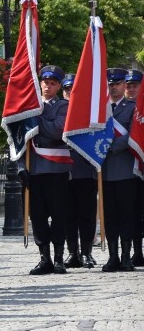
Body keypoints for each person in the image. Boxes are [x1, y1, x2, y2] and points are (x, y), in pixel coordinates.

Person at [18, 65, 71, 275]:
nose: (48, 86)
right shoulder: (28, 106)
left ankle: (59, 257)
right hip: (34, 169)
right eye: (45, 82)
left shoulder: (63, 106)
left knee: (59, 215)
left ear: (58, 86)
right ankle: (44, 257)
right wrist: (21, 166)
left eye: (52, 83)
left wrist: (34, 118)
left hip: (56, 168)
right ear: (40, 83)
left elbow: (58, 130)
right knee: (37, 216)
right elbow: (17, 139)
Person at [100, 68, 137, 271]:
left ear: (124, 85)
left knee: (126, 214)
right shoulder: (100, 108)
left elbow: (134, 134)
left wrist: (109, 146)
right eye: (110, 84)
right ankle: (113, 256)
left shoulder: (132, 108)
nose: (113, 87)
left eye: (117, 83)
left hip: (124, 168)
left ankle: (126, 256)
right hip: (103, 171)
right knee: (110, 215)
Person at [61, 74, 98, 269]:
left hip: (85, 169)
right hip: (64, 171)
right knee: (68, 215)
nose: (69, 92)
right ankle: (72, 253)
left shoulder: (88, 112)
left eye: (72, 89)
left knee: (87, 215)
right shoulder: (59, 110)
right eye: (66, 89)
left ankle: (87, 253)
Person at [124, 69, 144, 266]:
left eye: (134, 85)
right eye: (127, 85)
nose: (130, 89)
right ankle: (137, 252)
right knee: (132, 211)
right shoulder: (120, 107)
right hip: (130, 168)